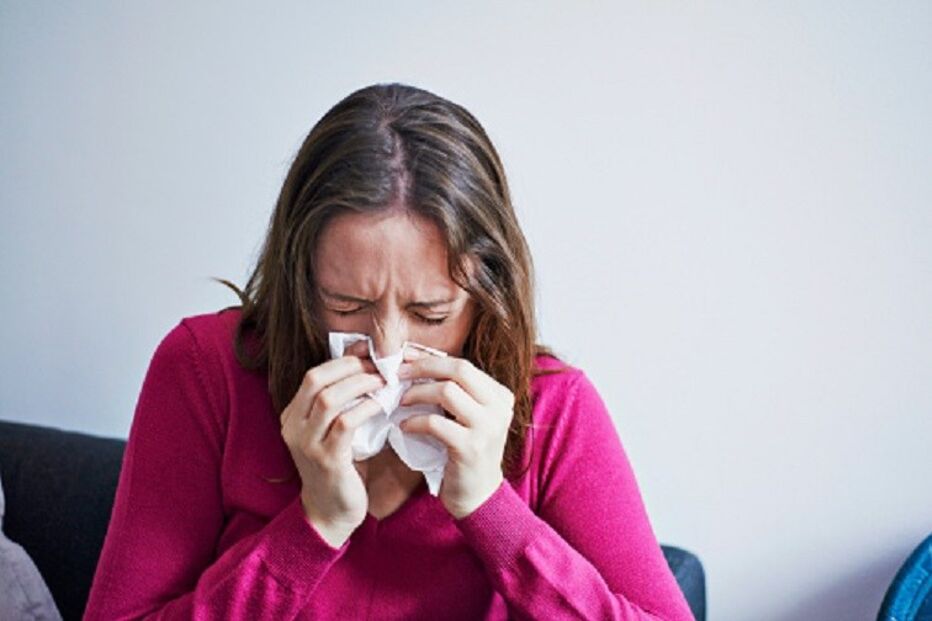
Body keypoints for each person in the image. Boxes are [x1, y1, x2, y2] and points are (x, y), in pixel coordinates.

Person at [84, 83, 695, 620]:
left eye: (430, 313)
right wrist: (313, 526)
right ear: (300, 279)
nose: (386, 349)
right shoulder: (205, 370)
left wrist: (493, 512)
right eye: (346, 305)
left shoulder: (553, 408)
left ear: (486, 295)